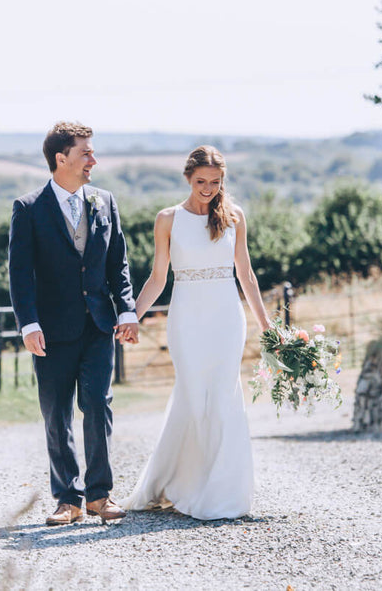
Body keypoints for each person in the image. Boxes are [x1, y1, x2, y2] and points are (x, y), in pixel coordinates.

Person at [124, 145, 271, 520]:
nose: (208, 188)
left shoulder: (234, 217)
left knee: (223, 398)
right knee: (192, 397)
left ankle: (222, 493)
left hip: (226, 318)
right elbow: (158, 278)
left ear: (223, 181)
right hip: (187, 318)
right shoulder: (168, 219)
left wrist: (267, 327)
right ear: (188, 178)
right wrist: (132, 317)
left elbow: (246, 276)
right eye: (201, 181)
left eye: (215, 182)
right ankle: (181, 484)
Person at [8, 121, 140, 526]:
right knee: (56, 413)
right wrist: (28, 324)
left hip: (99, 326)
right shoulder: (28, 208)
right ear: (60, 158)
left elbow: (118, 261)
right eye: (86, 153)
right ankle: (68, 498)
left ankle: (100, 495)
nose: (93, 160)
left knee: (98, 405)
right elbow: (19, 272)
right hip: (50, 330)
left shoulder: (105, 201)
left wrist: (127, 309)